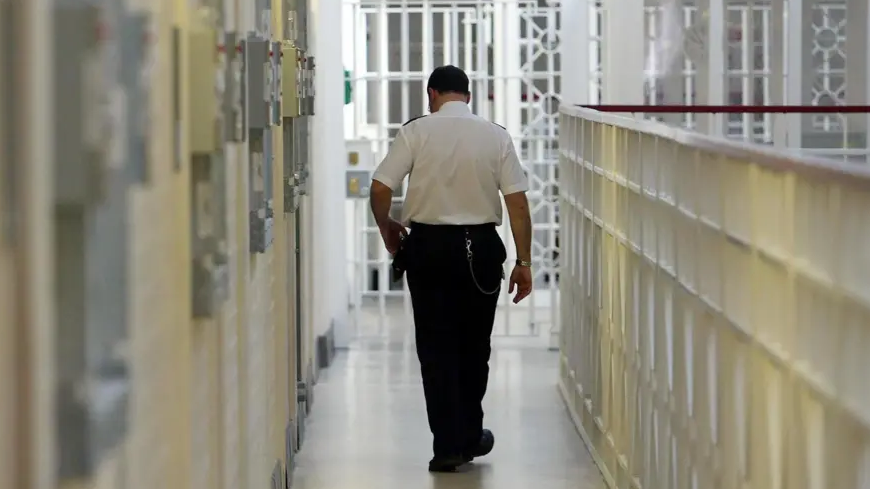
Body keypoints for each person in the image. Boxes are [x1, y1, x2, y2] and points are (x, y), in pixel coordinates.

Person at [368, 65, 534, 472]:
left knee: (435, 348)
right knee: (474, 347)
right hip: (480, 249)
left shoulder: (415, 132)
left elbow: (379, 187)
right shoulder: (495, 135)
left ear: (432, 94)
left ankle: (446, 446)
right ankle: (470, 435)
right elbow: (517, 204)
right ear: (469, 96)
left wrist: (388, 228)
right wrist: (524, 262)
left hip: (427, 249)